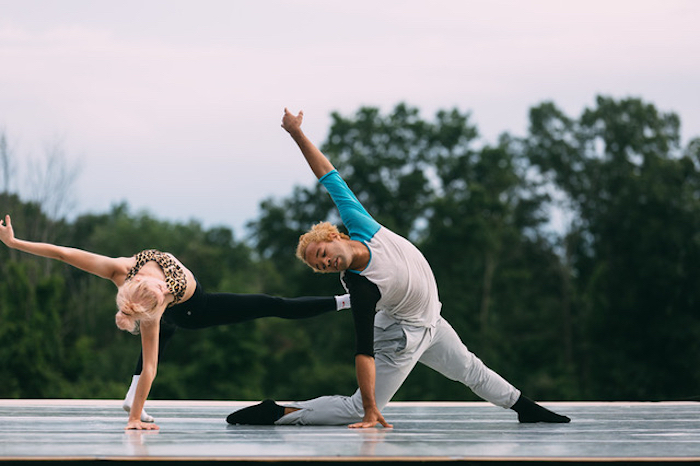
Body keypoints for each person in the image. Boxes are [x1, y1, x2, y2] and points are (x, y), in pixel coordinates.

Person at [226, 108, 571, 428]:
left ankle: (525, 408)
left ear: (334, 235)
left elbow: (328, 176)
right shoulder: (361, 288)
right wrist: (371, 406)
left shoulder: (360, 223)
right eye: (321, 265)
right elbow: (364, 350)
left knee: (469, 368)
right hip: (401, 338)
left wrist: (296, 133)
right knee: (356, 408)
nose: (327, 262)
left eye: (323, 253)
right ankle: (281, 413)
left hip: (430, 322)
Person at [0, 214, 351, 430]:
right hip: (193, 313)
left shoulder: (119, 268)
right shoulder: (155, 309)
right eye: (162, 294)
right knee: (155, 354)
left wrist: (15, 242)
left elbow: (62, 253)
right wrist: (135, 419)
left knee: (271, 304)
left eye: (159, 289)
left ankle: (343, 301)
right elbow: (152, 364)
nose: (163, 289)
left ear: (136, 281)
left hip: (181, 307)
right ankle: (133, 401)